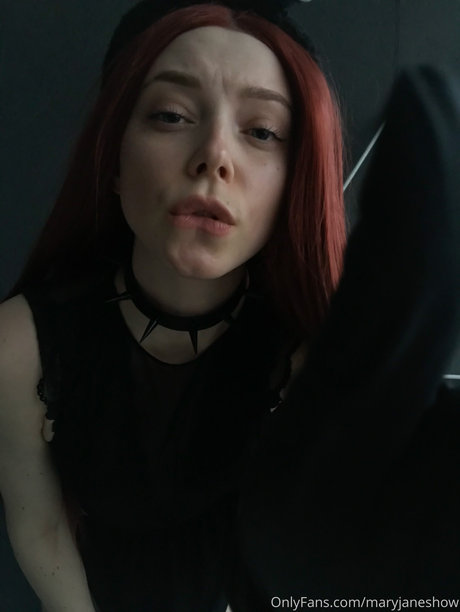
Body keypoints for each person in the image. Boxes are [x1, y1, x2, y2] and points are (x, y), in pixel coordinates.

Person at [0, 2, 459, 612]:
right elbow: (40, 527)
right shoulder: (20, 348)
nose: (215, 155)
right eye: (171, 115)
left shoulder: (313, 358)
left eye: (262, 131)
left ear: (294, 182)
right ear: (112, 160)